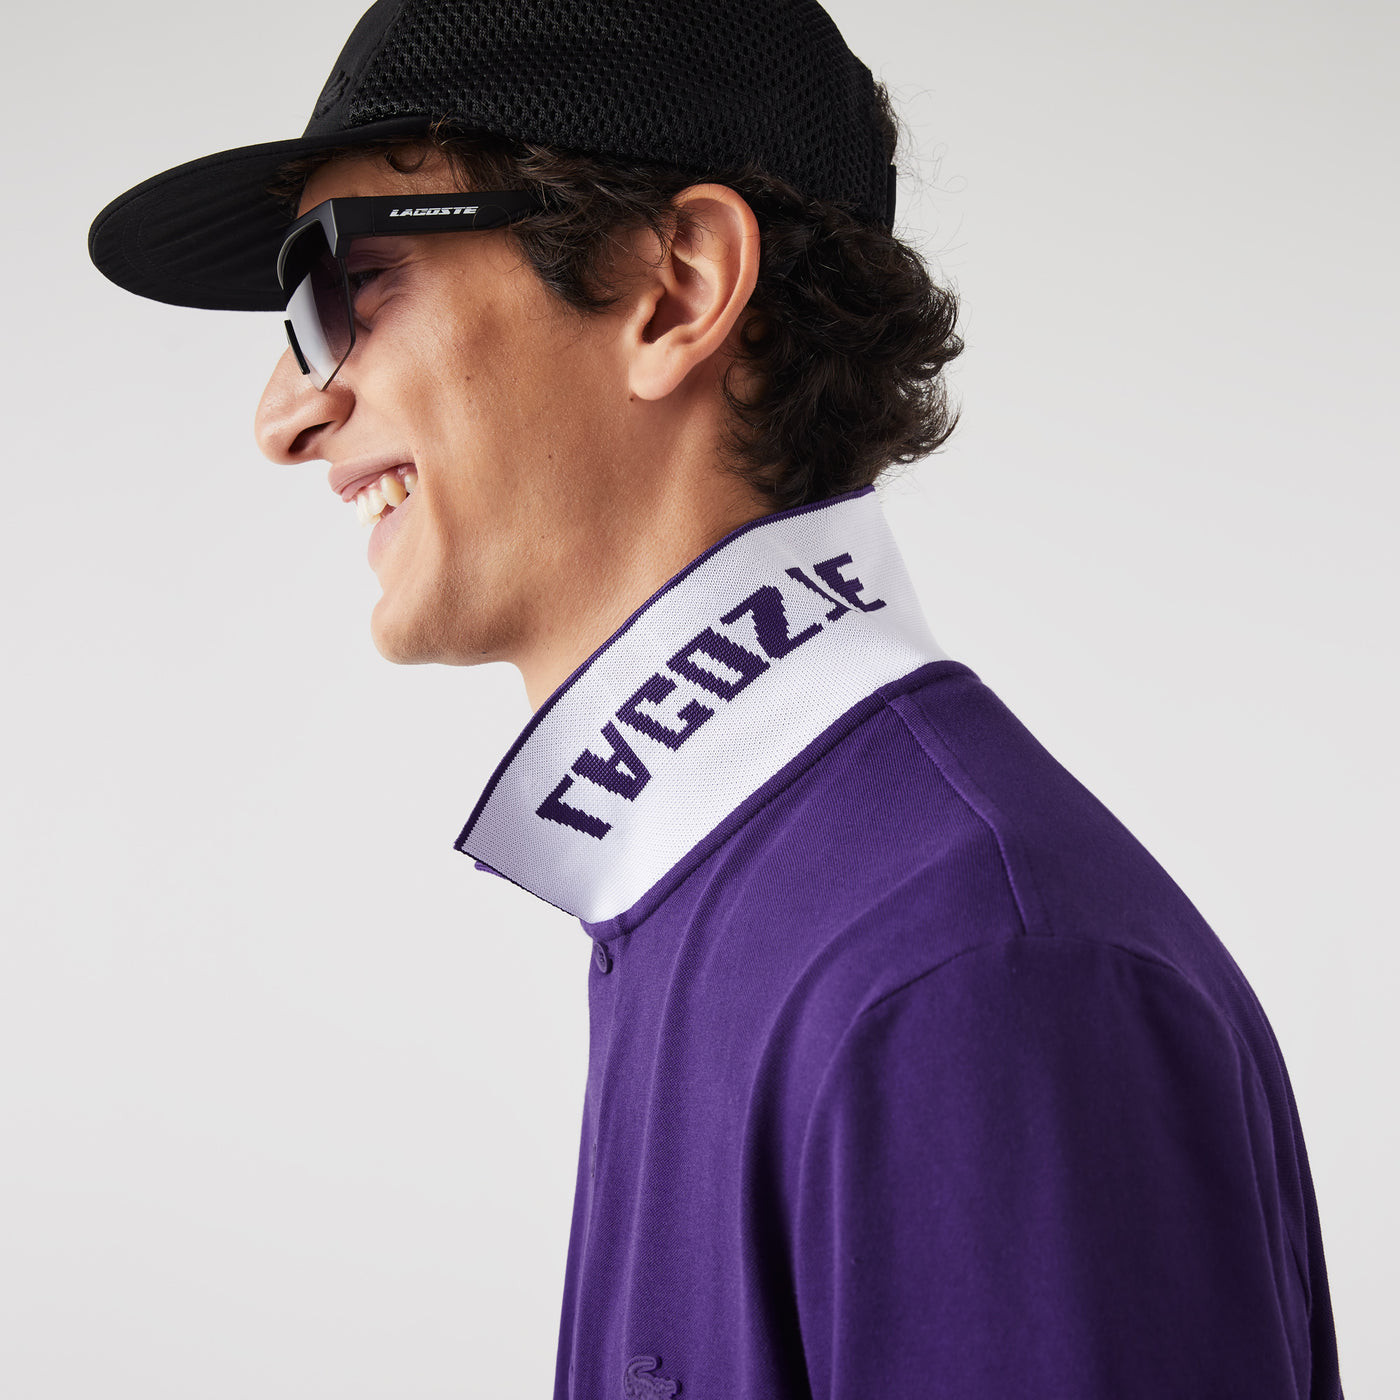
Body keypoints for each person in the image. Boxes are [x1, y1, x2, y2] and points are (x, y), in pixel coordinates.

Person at [88, 1, 1344, 1395]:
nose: (284, 414)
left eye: (354, 284)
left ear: (674, 289)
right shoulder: (752, 898)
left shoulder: (974, 978)